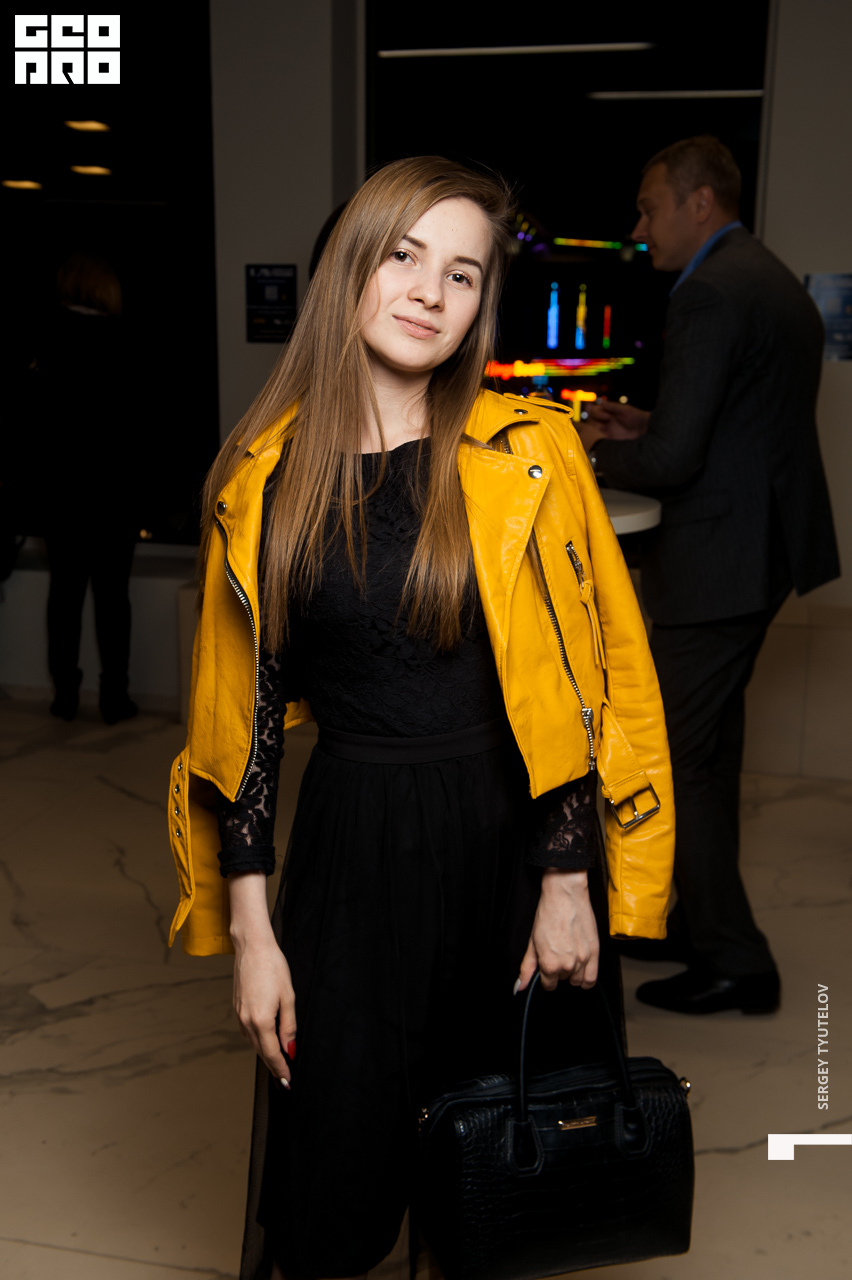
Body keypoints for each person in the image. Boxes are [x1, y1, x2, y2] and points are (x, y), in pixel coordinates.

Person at [167, 157, 675, 1280]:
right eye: (403, 256)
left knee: (496, 1179)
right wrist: (252, 933)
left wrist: (569, 885)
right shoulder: (264, 476)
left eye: (461, 272)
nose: (429, 292)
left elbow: (590, 679)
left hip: (511, 849)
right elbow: (243, 724)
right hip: (351, 855)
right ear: (351, 265)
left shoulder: (529, 452)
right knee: (333, 1182)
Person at [579, 136, 840, 1016]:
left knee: (676, 759)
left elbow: (676, 460)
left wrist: (588, 452)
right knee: (711, 753)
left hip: (719, 562)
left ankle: (736, 959)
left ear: (699, 203)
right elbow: (737, 424)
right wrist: (647, 422)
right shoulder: (768, 276)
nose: (639, 227)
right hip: (761, 550)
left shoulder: (709, 293)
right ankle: (695, 924)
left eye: (649, 207)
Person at [34, 250, 140, 723]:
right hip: (114, 495)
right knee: (113, 598)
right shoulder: (123, 345)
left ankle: (65, 694)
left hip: (60, 495)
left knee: (64, 595)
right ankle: (115, 696)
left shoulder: (45, 344)